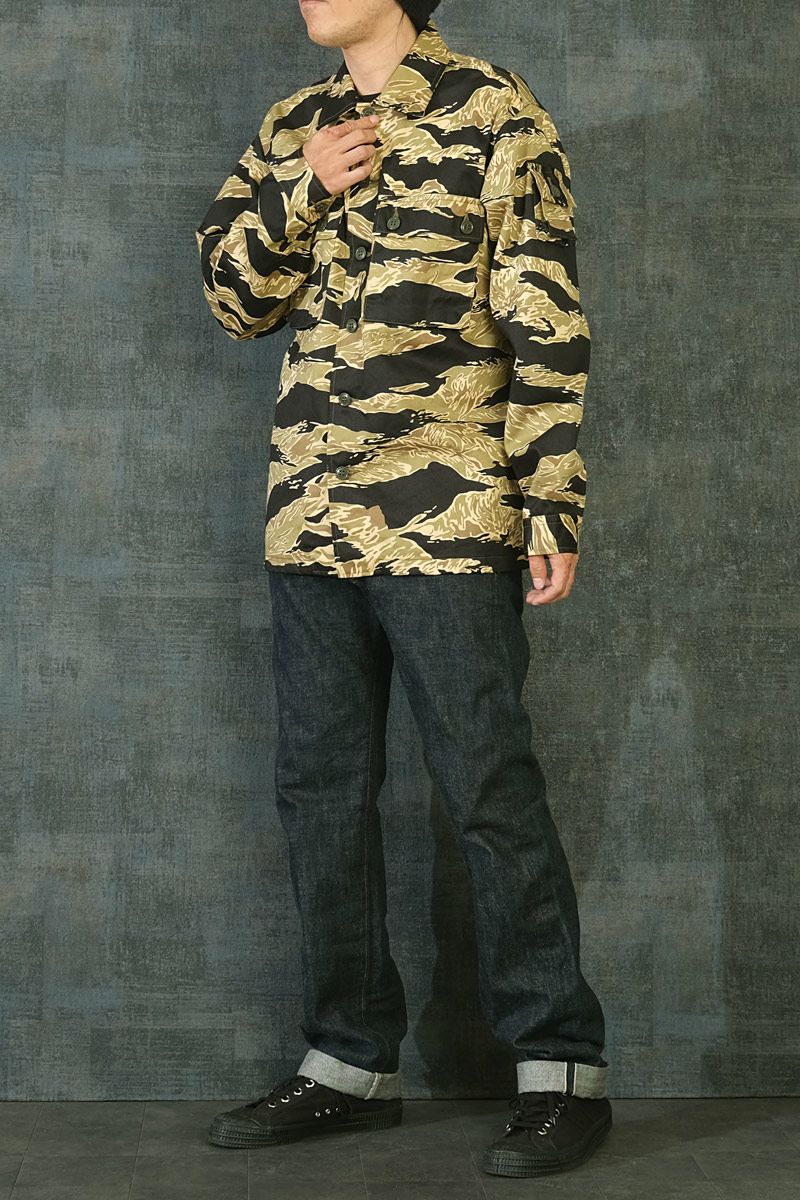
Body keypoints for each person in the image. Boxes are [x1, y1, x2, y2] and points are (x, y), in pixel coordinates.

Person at [194, 0, 611, 1178]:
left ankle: (559, 1067)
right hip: (310, 511)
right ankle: (346, 1061)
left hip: (449, 509)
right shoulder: (294, 124)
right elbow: (233, 301)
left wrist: (550, 496)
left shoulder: (493, 108)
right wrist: (302, 189)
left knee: (484, 781)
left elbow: (543, 315)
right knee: (319, 789)